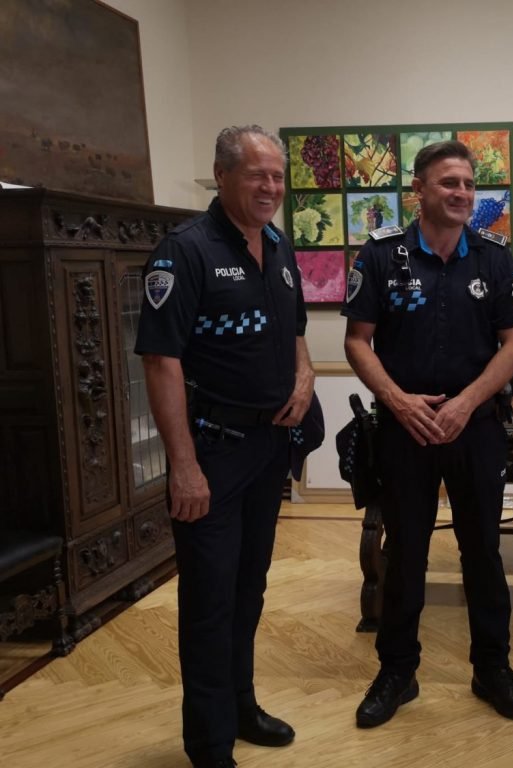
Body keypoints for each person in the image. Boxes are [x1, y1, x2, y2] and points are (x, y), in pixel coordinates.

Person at [135, 125, 315, 768]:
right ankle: (210, 746)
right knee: (210, 601)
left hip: (268, 448)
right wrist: (183, 467)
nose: (270, 187)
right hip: (211, 452)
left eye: (278, 176)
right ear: (221, 175)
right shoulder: (184, 251)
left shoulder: (278, 244)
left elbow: (295, 329)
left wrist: (305, 374)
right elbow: (160, 362)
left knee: (249, 588)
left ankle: (241, 707)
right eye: (256, 174)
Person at [342, 140, 513, 728]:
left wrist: (467, 403)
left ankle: (492, 668)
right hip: (406, 430)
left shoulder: (494, 257)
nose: (462, 193)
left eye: (469, 184)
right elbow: (357, 341)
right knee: (405, 554)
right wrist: (397, 402)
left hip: (476, 428)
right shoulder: (380, 254)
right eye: (449, 183)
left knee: (483, 552)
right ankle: (397, 671)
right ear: (418, 190)